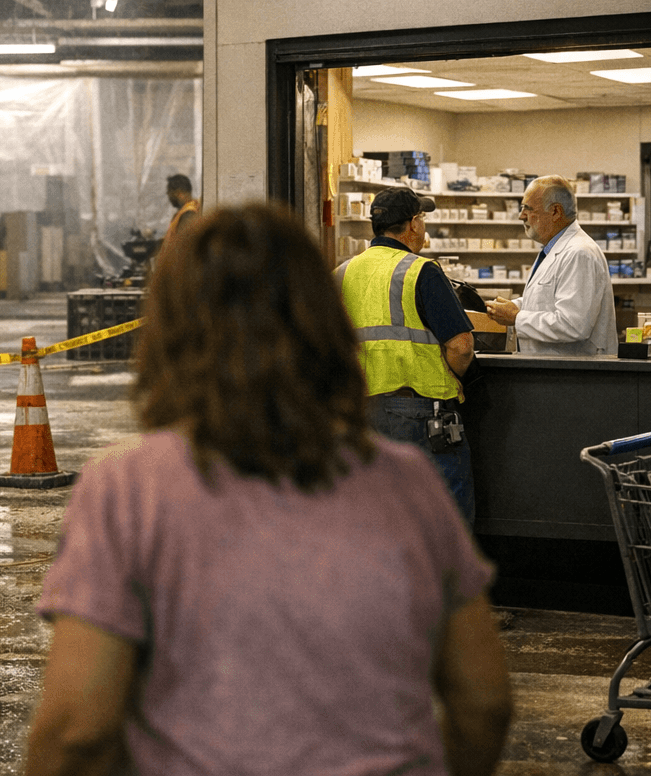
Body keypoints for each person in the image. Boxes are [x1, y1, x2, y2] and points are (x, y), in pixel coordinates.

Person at [27, 204, 512, 776]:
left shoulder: (127, 491)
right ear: (321, 323)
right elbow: (484, 702)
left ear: (168, 329)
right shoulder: (405, 483)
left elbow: (76, 731)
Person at [337, 185, 478, 522]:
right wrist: (451, 378)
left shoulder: (341, 273)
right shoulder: (420, 271)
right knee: (443, 517)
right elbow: (461, 346)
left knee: (377, 516)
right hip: (419, 414)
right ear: (414, 224)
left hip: (359, 413)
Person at [485, 174, 619, 356]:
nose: (521, 216)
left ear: (556, 212)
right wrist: (515, 306)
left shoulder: (579, 253)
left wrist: (516, 317)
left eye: (527, 208)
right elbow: (548, 300)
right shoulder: (554, 249)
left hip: (572, 375)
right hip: (553, 371)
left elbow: (573, 324)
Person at [160, 173, 199, 248]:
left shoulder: (188, 214)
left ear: (179, 193)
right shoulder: (188, 211)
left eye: (170, 193)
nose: (169, 197)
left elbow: (183, 246)